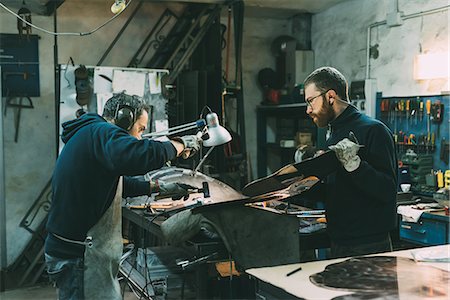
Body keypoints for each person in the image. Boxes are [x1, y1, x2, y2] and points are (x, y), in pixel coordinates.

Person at [44, 93, 202, 300]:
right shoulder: (101, 132)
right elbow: (139, 155)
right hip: (80, 256)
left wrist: (158, 187)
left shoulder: (92, 134)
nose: (138, 137)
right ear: (124, 118)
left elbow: (114, 184)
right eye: (141, 129)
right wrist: (179, 145)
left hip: (76, 252)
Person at [303, 67, 397, 258]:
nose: (308, 110)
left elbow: (387, 189)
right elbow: (339, 191)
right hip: (339, 241)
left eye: (310, 101)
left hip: (369, 246)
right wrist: (300, 186)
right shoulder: (333, 135)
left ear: (330, 96)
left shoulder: (374, 131)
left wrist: (355, 165)